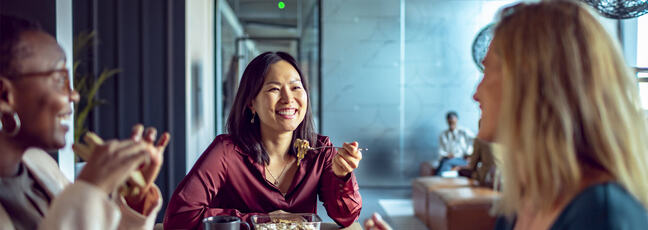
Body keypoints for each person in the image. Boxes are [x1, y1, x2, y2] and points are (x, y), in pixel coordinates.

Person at [473, 1, 648, 229]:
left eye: (488, 71)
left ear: (531, 84)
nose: (476, 94)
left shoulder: (602, 214)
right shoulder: (520, 206)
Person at [0, 15, 170, 229]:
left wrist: (135, 204)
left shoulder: (39, 166)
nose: (74, 95)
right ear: (5, 95)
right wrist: (91, 189)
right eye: (60, 79)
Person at [164, 52, 363, 229]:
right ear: (251, 103)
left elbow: (347, 218)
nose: (288, 98)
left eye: (295, 87)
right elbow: (178, 217)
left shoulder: (321, 151)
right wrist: (259, 221)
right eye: (274, 89)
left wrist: (342, 175)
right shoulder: (226, 151)